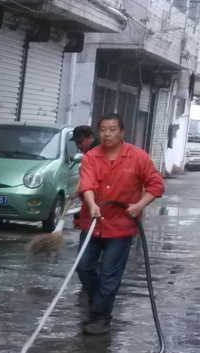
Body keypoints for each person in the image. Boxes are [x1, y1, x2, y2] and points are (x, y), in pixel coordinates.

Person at [74, 114, 165, 335]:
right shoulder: (91, 157)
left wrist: (139, 205)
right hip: (93, 222)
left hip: (122, 225)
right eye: (103, 129)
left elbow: (156, 185)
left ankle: (101, 317)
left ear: (122, 132)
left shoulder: (138, 157)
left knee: (109, 273)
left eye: (112, 129)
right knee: (84, 266)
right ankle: (98, 304)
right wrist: (92, 204)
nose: (107, 134)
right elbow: (86, 184)